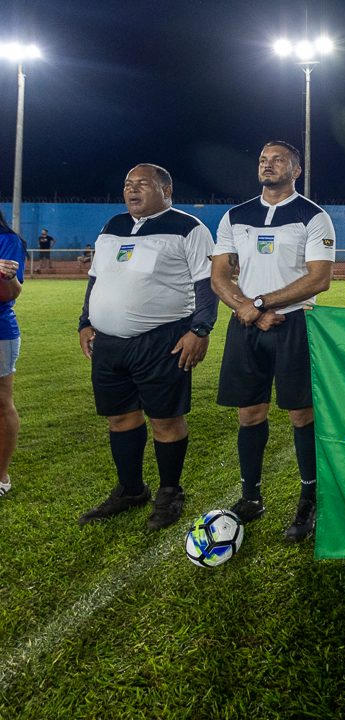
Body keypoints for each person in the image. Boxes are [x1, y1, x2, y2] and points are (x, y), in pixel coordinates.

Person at [76, 164, 217, 529]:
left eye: (142, 183)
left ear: (166, 190)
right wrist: (85, 321)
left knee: (165, 419)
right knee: (120, 417)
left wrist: (200, 330)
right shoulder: (112, 226)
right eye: (128, 184)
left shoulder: (189, 228)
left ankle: (170, 492)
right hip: (108, 344)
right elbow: (95, 278)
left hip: (162, 341)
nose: (132, 189)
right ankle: (131, 489)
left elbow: (208, 283)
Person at [211, 141, 335, 543]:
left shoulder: (313, 216)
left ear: (295, 170)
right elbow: (219, 276)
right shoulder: (235, 216)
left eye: (277, 160)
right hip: (246, 325)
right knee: (249, 414)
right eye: (264, 159)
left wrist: (260, 303)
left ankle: (309, 500)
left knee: (301, 414)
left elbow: (319, 278)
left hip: (294, 324)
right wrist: (247, 308)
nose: (267, 164)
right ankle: (250, 498)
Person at [0, 210, 24, 498]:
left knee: (1, 403)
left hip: (0, 331)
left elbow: (9, 293)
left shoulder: (7, 240)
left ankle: (1, 476)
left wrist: (7, 277)